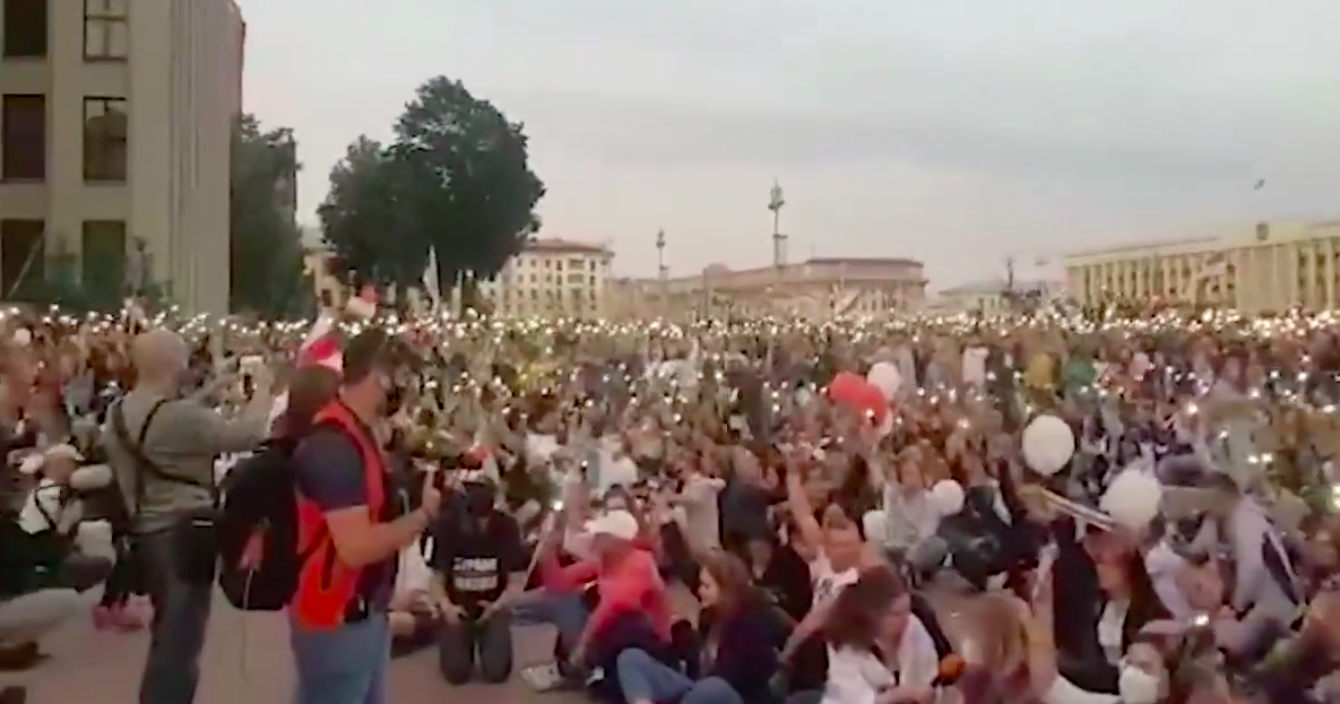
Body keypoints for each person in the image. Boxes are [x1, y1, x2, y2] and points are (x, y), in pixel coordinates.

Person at [103, 329, 272, 704]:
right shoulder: (179, 418)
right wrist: (263, 386)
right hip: (184, 536)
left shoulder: (118, 413)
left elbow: (165, 420)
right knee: (180, 647)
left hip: (146, 532)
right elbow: (249, 433)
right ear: (173, 363)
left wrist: (215, 385)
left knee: (167, 637)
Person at [287, 329, 442, 704]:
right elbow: (355, 547)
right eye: (401, 379)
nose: (403, 390)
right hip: (336, 619)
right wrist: (422, 516)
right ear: (379, 376)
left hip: (363, 614)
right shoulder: (334, 447)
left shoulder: (357, 432)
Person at [616, 551, 778, 704]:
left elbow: (729, 678)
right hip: (699, 690)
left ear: (726, 590)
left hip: (734, 697)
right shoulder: (709, 618)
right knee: (632, 658)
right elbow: (697, 668)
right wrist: (682, 636)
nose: (700, 591)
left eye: (706, 586)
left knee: (714, 686)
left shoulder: (750, 625)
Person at [430, 475, 528, 684]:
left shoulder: (507, 526)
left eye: (485, 519)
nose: (481, 524)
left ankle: (486, 641)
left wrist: (497, 605)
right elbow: (436, 578)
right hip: (457, 606)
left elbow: (517, 580)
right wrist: (447, 607)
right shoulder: (447, 526)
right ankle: (459, 642)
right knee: (456, 674)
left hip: (493, 604)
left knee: (496, 673)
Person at [817, 566, 940, 704]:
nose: (905, 618)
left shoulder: (912, 626)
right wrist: (899, 694)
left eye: (907, 610)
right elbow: (853, 698)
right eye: (896, 614)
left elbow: (929, 674)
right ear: (871, 615)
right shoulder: (845, 644)